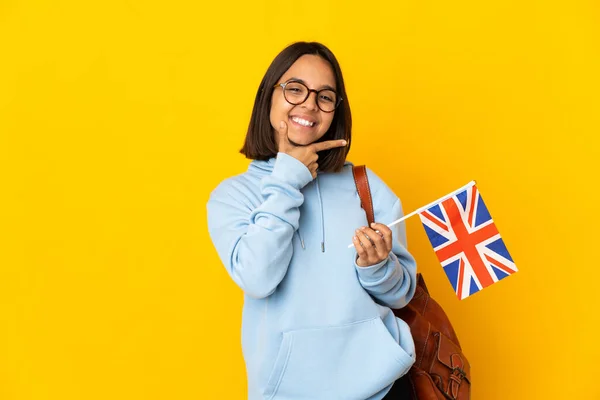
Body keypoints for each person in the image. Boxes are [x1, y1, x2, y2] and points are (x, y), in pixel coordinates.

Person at [207, 41, 417, 400]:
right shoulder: (233, 195)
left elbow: (401, 295)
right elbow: (258, 278)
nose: (308, 104)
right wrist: (288, 178)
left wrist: (378, 267)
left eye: (324, 96)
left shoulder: (366, 186)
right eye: (295, 89)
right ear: (268, 96)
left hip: (382, 390)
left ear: (336, 111)